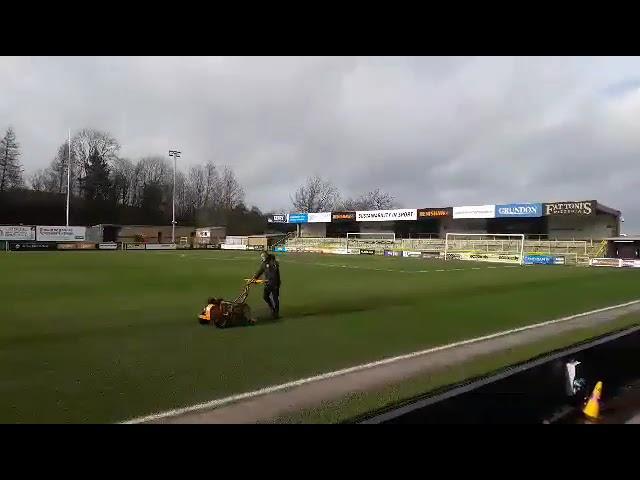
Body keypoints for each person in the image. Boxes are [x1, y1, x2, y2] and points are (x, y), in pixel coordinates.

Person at [253, 251, 281, 319]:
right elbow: (260, 271)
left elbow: (274, 272)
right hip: (268, 283)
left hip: (274, 283)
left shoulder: (272, 262)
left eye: (263, 256)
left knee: (275, 299)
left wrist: (270, 280)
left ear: (266, 256)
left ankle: (276, 313)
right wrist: (254, 278)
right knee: (265, 297)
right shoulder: (264, 263)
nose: (262, 258)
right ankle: (272, 309)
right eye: (262, 256)